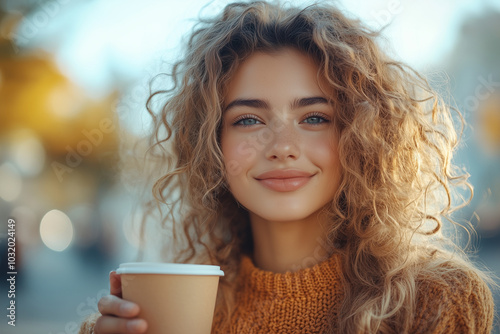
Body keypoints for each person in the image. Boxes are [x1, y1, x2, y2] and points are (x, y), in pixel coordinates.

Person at [79, 0, 496, 333]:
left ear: (363, 136)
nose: (282, 147)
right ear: (211, 143)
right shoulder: (168, 311)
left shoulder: (434, 298)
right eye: (248, 119)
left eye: (314, 118)